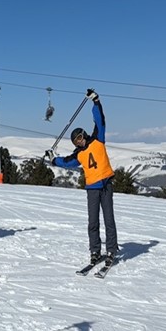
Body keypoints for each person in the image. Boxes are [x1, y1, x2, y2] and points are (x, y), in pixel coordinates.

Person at [47, 89, 118, 266]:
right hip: (92, 188)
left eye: (79, 137)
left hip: (106, 184)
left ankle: (111, 249)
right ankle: (95, 250)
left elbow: (100, 120)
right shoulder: (78, 154)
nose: (79, 141)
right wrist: (53, 159)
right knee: (92, 222)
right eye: (75, 141)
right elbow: (66, 162)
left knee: (109, 219)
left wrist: (95, 102)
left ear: (84, 134)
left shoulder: (98, 139)